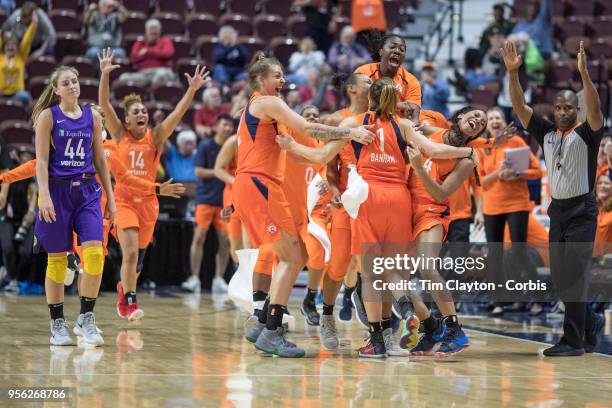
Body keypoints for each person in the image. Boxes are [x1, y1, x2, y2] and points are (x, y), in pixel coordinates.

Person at [278, 77, 478, 357]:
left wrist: (290, 147)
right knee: (393, 268)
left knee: (371, 275)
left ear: (370, 98)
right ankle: (407, 313)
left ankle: (377, 340)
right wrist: (468, 150)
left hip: (367, 196)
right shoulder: (404, 125)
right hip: (400, 198)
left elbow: (321, 155)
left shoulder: (354, 124)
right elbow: (433, 150)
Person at [232, 51, 375, 358]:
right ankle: (271, 330)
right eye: (277, 75)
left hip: (260, 186)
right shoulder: (266, 102)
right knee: (291, 258)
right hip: (259, 184)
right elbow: (309, 129)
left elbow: (306, 146)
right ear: (260, 80)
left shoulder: (261, 109)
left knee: (292, 256)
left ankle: (263, 323)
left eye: (283, 75)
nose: (283, 80)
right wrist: (350, 132)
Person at [502, 40, 605, 356]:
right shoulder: (545, 132)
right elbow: (519, 106)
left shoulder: (588, 133)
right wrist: (513, 74)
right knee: (560, 280)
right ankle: (590, 324)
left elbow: (596, 108)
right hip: (558, 210)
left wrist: (584, 75)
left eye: (568, 107)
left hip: (582, 210)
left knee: (574, 275)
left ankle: (573, 341)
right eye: (558, 107)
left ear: (576, 109)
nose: (562, 111)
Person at [98, 48, 209, 322]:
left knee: (137, 262)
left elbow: (178, 114)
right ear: (127, 119)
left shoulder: (155, 137)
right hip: (123, 201)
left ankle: (126, 288)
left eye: (144, 111)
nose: (142, 114)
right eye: (136, 111)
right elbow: (104, 102)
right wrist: (104, 75)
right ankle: (130, 302)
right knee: (131, 252)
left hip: (149, 205)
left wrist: (192, 91)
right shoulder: (119, 133)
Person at [31, 65, 115, 346]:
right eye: (66, 83)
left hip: (87, 192)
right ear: (56, 90)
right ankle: (57, 324)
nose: (73, 86)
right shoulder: (48, 117)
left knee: (94, 257)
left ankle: (85, 319)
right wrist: (43, 194)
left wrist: (111, 199)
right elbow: (41, 161)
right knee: (56, 262)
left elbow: (101, 161)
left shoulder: (92, 116)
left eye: (75, 81)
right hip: (56, 192)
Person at [404, 106, 486, 356]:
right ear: (460, 116)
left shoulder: (467, 160)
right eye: (474, 115)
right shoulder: (433, 133)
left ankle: (454, 329)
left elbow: (440, 193)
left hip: (432, 211)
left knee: (427, 268)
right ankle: (431, 328)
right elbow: (428, 142)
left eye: (481, 122)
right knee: (397, 275)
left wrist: (418, 168)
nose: (477, 120)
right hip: (406, 208)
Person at [318, 72, 371, 348]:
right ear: (351, 88)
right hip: (345, 201)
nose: (372, 83)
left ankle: (375, 324)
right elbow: (328, 164)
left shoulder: (380, 117)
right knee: (338, 264)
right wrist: (334, 188)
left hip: (372, 201)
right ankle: (327, 317)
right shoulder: (335, 120)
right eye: (367, 81)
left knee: (371, 265)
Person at [478, 107, 542, 315]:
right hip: (492, 206)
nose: (495, 121)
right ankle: (500, 301)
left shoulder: (517, 143)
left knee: (518, 252)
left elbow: (537, 171)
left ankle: (539, 298)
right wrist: (499, 172)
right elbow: (481, 181)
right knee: (495, 255)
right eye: (491, 118)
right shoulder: (483, 148)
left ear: (504, 123)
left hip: (517, 204)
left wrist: (518, 172)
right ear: (487, 125)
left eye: (498, 118)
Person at [182, 114, 234, 294]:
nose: (227, 128)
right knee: (199, 237)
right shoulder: (206, 145)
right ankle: (194, 278)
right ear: (217, 126)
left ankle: (219, 278)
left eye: (230, 125)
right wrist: (219, 172)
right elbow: (198, 171)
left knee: (225, 240)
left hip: (225, 200)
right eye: (224, 124)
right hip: (205, 198)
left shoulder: (234, 146)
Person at [355, 34, 421, 120]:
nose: (397, 51)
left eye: (402, 50)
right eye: (392, 47)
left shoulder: (411, 81)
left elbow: (413, 117)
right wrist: (398, 105)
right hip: (366, 123)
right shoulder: (363, 72)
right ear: (381, 52)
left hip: (398, 127)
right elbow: (357, 106)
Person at [213, 134, 247, 264]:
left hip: (256, 194)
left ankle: (252, 277)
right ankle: (240, 272)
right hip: (234, 195)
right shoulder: (234, 141)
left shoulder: (265, 137)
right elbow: (217, 169)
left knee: (253, 241)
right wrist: (236, 181)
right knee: (236, 242)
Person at [119, 19, 176, 87]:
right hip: (143, 74)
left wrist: (148, 52)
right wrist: (156, 54)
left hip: (162, 71)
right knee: (124, 77)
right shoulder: (139, 44)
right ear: (146, 31)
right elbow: (133, 58)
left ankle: (154, 95)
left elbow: (168, 54)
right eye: (151, 29)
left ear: (159, 31)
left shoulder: (166, 41)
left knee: (161, 75)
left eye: (155, 29)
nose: (153, 31)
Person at [0, 12, 36, 106]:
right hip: (1, 93)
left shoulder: (21, 56)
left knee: (26, 96)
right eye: (8, 45)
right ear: (4, 47)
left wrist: (33, 24)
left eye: (13, 45)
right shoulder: (1, 56)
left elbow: (27, 41)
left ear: (17, 47)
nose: (10, 47)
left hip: (17, 94)